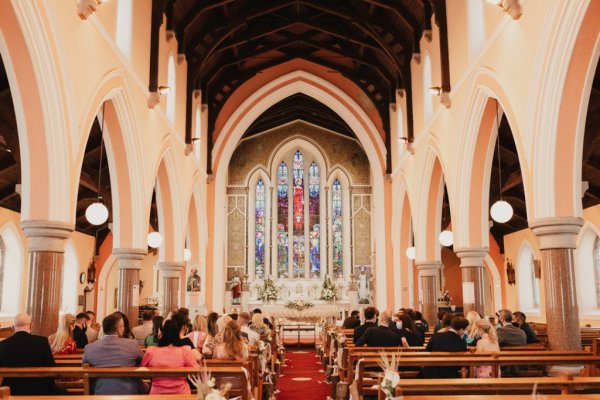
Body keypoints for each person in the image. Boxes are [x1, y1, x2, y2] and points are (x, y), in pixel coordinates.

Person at [0, 313, 63, 395]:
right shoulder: (42, 342)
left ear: (13, 327)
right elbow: (51, 367)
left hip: (11, 390)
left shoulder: (2, 345)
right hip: (40, 390)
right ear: (30, 325)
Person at [82, 313, 146, 394]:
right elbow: (143, 362)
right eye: (122, 326)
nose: (124, 328)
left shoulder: (89, 348)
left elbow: (84, 367)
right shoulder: (132, 344)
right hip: (129, 391)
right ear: (118, 329)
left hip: (100, 391)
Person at [141, 319, 199, 394]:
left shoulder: (152, 351)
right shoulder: (185, 351)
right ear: (178, 333)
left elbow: (142, 369)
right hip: (181, 393)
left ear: (162, 333)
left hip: (157, 393)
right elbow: (195, 369)